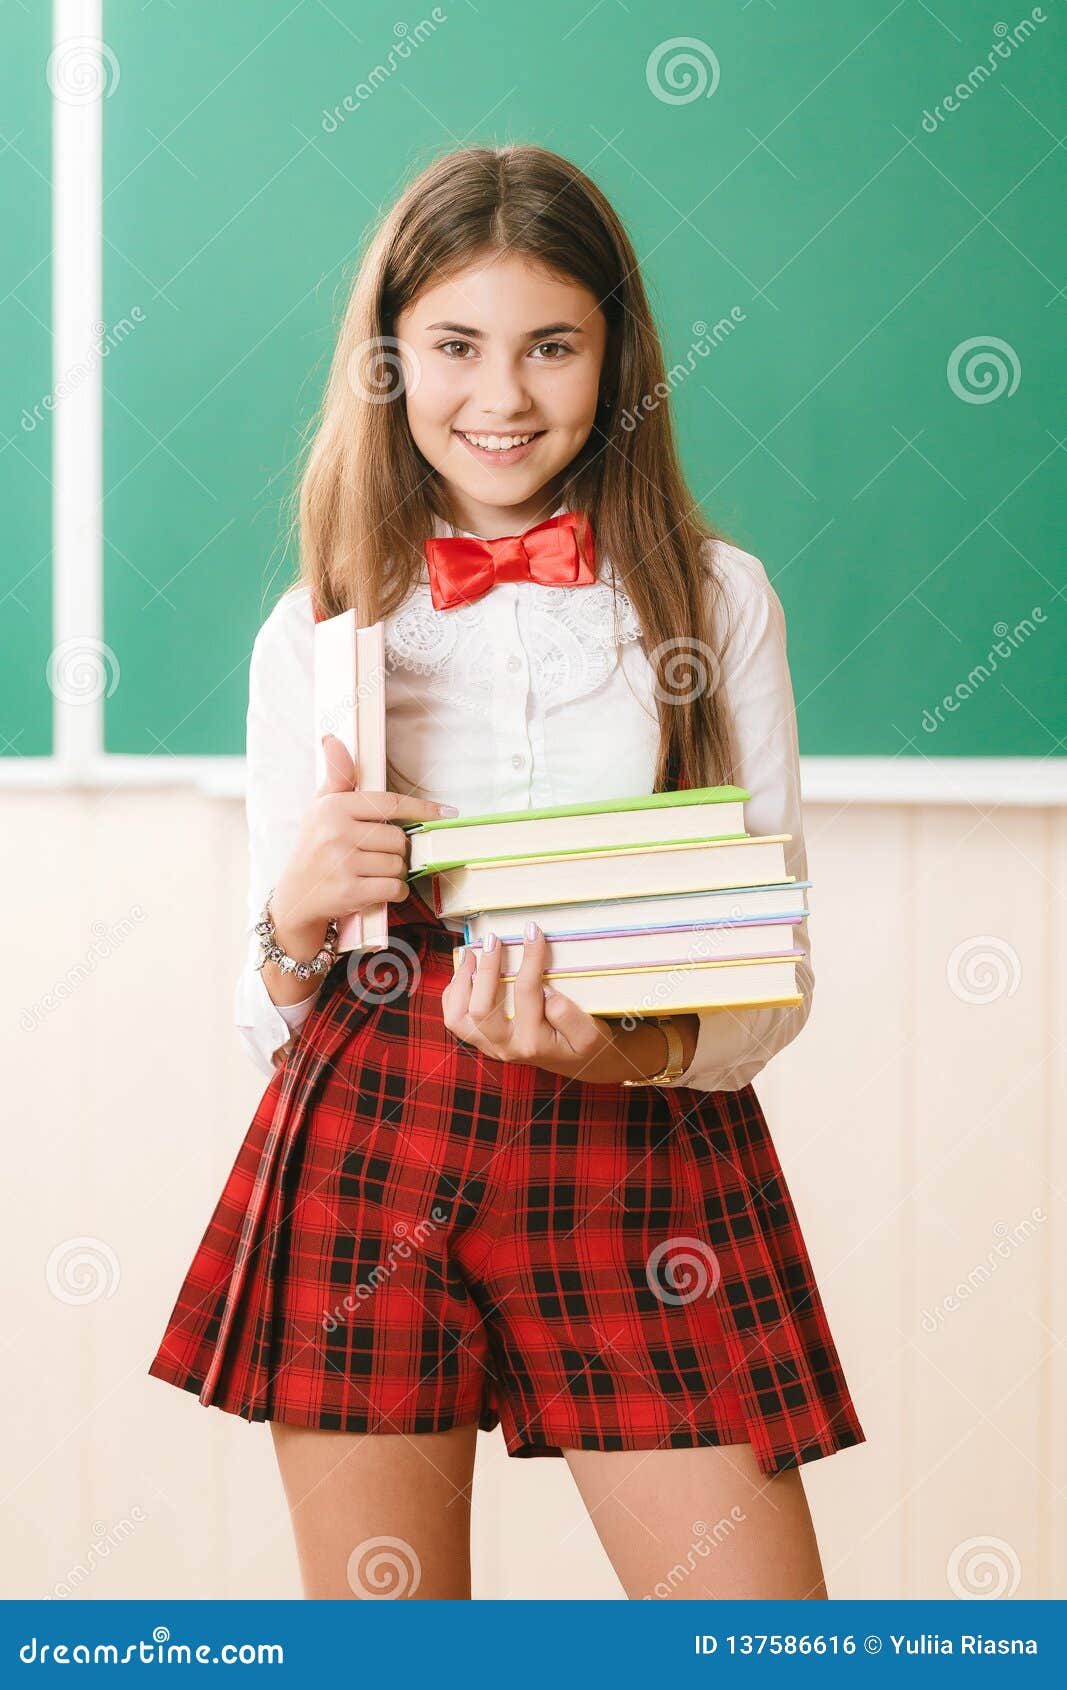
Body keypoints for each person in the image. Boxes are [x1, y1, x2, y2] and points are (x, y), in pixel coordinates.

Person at [149, 143, 864, 1601]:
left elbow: (768, 983)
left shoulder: (713, 600)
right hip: (377, 1138)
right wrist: (290, 917)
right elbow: (271, 1010)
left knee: (764, 1644)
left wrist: (618, 1044)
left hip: (636, 1142)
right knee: (392, 1648)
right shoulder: (318, 629)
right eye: (455, 347)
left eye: (553, 346)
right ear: (388, 359)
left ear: (618, 355)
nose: (503, 397)